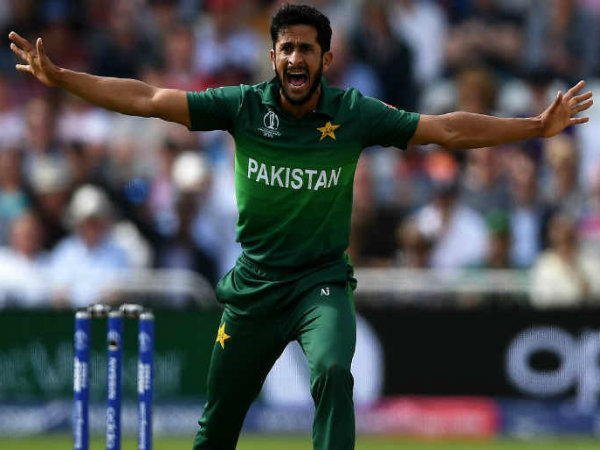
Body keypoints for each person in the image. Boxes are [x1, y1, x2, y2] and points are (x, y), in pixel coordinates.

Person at [8, 4, 593, 449]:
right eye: (286, 48)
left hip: (321, 284)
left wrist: (533, 127)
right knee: (217, 426)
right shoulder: (243, 106)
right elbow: (150, 98)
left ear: (325, 59)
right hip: (255, 287)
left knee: (334, 371)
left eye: (306, 49)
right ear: (273, 56)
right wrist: (65, 78)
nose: (295, 59)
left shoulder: (352, 113)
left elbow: (447, 129)